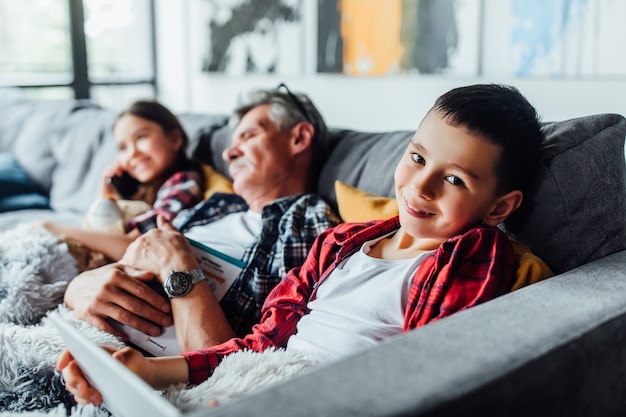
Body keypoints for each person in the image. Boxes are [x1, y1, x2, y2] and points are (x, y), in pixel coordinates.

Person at [58, 83, 545, 402]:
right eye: (417, 158)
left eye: (455, 180)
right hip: (253, 378)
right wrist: (149, 371)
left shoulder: (470, 256)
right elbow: (262, 343)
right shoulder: (341, 243)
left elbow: (429, 377)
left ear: (500, 208)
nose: (421, 187)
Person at [62, 84, 340, 351]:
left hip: (153, 366)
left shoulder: (308, 219)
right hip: (83, 329)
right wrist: (77, 288)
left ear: (299, 138)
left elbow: (253, 358)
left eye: (249, 136)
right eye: (233, 142)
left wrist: (177, 263)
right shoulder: (213, 207)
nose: (229, 153)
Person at [40, 100, 206, 267]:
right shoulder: (144, 189)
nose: (133, 153)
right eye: (123, 147)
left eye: (141, 137)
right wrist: (106, 195)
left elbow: (132, 246)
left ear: (175, 139)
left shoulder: (184, 183)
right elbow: (102, 228)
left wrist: (51, 227)